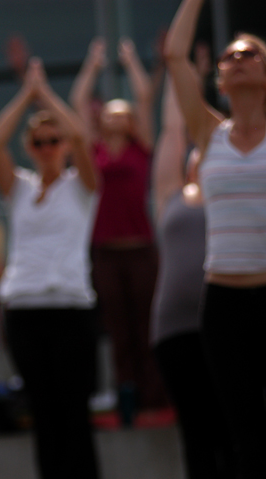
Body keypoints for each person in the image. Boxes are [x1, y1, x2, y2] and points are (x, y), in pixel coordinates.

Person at [165, 0, 266, 476]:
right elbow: (175, 55)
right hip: (222, 303)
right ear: (219, 79)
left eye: (250, 53)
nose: (238, 59)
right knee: (241, 431)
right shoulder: (209, 133)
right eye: (229, 56)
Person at [0, 57, 100, 479]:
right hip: (25, 311)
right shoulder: (21, 188)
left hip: (71, 309)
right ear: (31, 149)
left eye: (55, 140)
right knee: (43, 415)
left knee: (74, 414)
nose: (49, 147)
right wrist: (26, 95)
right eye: (39, 142)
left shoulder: (81, 188)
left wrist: (46, 92)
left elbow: (82, 136)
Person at [70, 36, 169, 425]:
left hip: (140, 246)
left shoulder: (140, 147)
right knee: (117, 327)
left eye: (120, 112)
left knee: (146, 323)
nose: (114, 117)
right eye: (108, 112)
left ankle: (154, 397)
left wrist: (130, 62)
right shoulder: (93, 149)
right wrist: (93, 64)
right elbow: (79, 101)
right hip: (104, 250)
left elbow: (145, 97)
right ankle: (128, 397)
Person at [150, 74, 235, 479]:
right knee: (196, 433)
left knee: (234, 426)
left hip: (226, 320)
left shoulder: (237, 185)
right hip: (174, 330)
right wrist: (178, 76)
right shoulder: (172, 195)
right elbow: (172, 128)